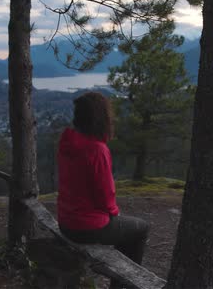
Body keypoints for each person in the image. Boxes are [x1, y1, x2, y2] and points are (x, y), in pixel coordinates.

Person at [57, 91, 149, 285]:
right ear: (101, 116)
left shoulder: (68, 141)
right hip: (86, 227)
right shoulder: (96, 149)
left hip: (65, 222)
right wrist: (114, 213)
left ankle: (120, 279)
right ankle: (125, 284)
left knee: (124, 230)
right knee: (141, 228)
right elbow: (105, 196)